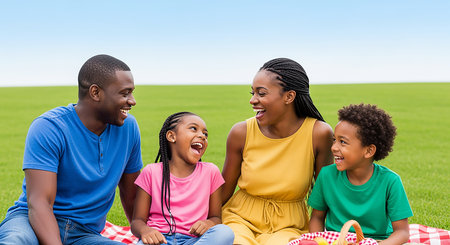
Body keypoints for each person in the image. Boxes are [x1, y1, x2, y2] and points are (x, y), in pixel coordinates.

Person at [0, 54, 143, 244]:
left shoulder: (129, 129)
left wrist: (149, 233)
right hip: (30, 223)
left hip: (84, 234)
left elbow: (132, 197)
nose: (132, 101)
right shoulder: (49, 127)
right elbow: (40, 204)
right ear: (95, 93)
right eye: (125, 93)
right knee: (15, 241)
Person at [221, 58, 334, 245]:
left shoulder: (319, 133)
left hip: (290, 225)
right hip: (239, 218)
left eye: (261, 93)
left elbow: (324, 193)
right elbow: (224, 191)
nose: (252, 100)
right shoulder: (241, 132)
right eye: (253, 93)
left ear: (289, 97)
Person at [308, 103, 413, 245]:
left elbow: (402, 232)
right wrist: (319, 241)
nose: (334, 147)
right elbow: (316, 218)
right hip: (338, 241)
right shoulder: (326, 175)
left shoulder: (390, 181)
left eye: (343, 142)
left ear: (369, 151)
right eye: (334, 140)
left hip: (378, 242)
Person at [131, 112, 234, 245]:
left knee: (225, 232)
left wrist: (208, 223)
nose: (202, 136)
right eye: (193, 128)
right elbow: (137, 221)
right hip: (160, 240)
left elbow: (216, 218)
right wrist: (145, 231)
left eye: (205, 134)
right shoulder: (151, 172)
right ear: (171, 136)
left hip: (195, 240)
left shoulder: (211, 172)